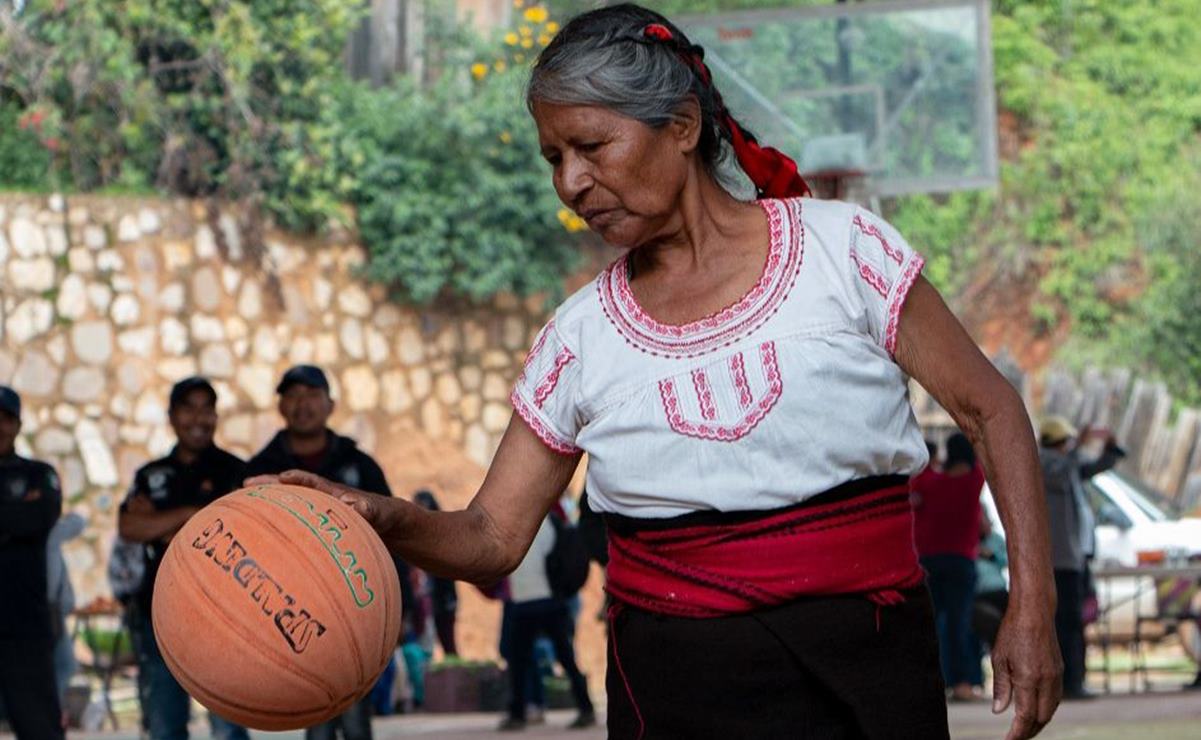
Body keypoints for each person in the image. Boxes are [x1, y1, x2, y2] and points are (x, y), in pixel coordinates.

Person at [249, 5, 1061, 738]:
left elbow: (989, 410)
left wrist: (1033, 602)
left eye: (591, 147)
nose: (570, 184)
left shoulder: (842, 249)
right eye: (552, 158)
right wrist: (385, 518)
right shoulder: (579, 337)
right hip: (673, 693)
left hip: (868, 669)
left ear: (678, 124)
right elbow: (493, 537)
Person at [246, 365, 393, 740]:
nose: (303, 405)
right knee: (316, 717)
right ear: (280, 407)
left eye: (311, 395)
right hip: (289, 613)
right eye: (293, 396)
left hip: (355, 611)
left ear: (330, 404)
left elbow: (393, 538)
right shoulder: (261, 470)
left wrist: (397, 606)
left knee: (356, 720)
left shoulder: (360, 466)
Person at [117, 377, 251, 740]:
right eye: (189, 407)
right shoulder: (150, 475)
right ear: (172, 417)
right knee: (164, 726)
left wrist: (163, 524)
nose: (199, 417)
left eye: (207, 408)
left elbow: (246, 534)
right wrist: (197, 514)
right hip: (160, 614)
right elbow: (130, 526)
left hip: (228, 615)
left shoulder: (238, 472)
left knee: (228, 728)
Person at [1038, 415, 1124, 701]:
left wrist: (1110, 449)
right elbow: (1063, 472)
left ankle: (1077, 679)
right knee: (1066, 622)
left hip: (1075, 558)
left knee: (1075, 622)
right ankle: (1068, 682)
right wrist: (1079, 447)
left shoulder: (1069, 465)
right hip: (1058, 560)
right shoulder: (1045, 463)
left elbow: (1095, 467)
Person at [0, 385, 66, 740]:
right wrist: (15, 515)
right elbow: (22, 520)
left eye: (5, 419)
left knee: (39, 728)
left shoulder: (40, 473)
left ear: (18, 424)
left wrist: (20, 518)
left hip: (24, 628)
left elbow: (39, 517)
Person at [497, 512, 595, 731]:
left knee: (520, 660)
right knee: (562, 657)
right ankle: (585, 708)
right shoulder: (547, 522)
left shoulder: (523, 524)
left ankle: (518, 714)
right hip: (544, 601)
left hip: (533, 601)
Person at [912, 432, 987, 701]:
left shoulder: (929, 482)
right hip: (961, 561)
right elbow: (985, 453)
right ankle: (963, 682)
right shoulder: (973, 481)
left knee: (931, 623)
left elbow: (914, 484)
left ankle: (930, 680)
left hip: (928, 560)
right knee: (959, 621)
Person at [47, 509, 85, 710]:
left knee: (63, 665)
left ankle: (53, 710)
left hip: (52, 608)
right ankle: (53, 710)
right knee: (64, 664)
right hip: (47, 608)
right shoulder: (50, 531)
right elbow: (78, 522)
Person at [413, 490, 459, 657]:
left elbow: (448, 572)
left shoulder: (441, 533)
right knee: (425, 647)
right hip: (425, 600)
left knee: (448, 644)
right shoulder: (414, 534)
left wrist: (449, 599)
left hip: (443, 598)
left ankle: (454, 679)